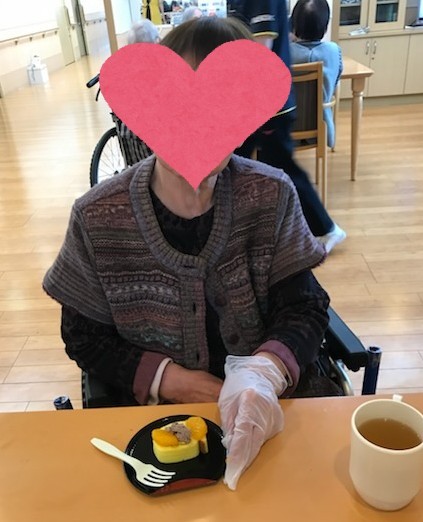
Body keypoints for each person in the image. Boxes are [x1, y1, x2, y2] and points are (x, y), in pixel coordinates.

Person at [43, 17, 338, 490]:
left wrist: (263, 372)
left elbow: (304, 306)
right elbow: (83, 337)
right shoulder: (98, 217)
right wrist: (172, 380)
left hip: (266, 416)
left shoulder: (271, 196)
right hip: (153, 430)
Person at [228, 1, 346, 254]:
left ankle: (326, 228)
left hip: (268, 106)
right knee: (237, 166)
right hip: (262, 104)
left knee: (277, 170)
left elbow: (261, 51)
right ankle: (242, 230)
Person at [290, 0, 343, 149]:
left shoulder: (284, 53)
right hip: (322, 130)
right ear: (325, 26)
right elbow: (335, 84)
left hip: (288, 132)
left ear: (294, 24)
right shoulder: (334, 51)